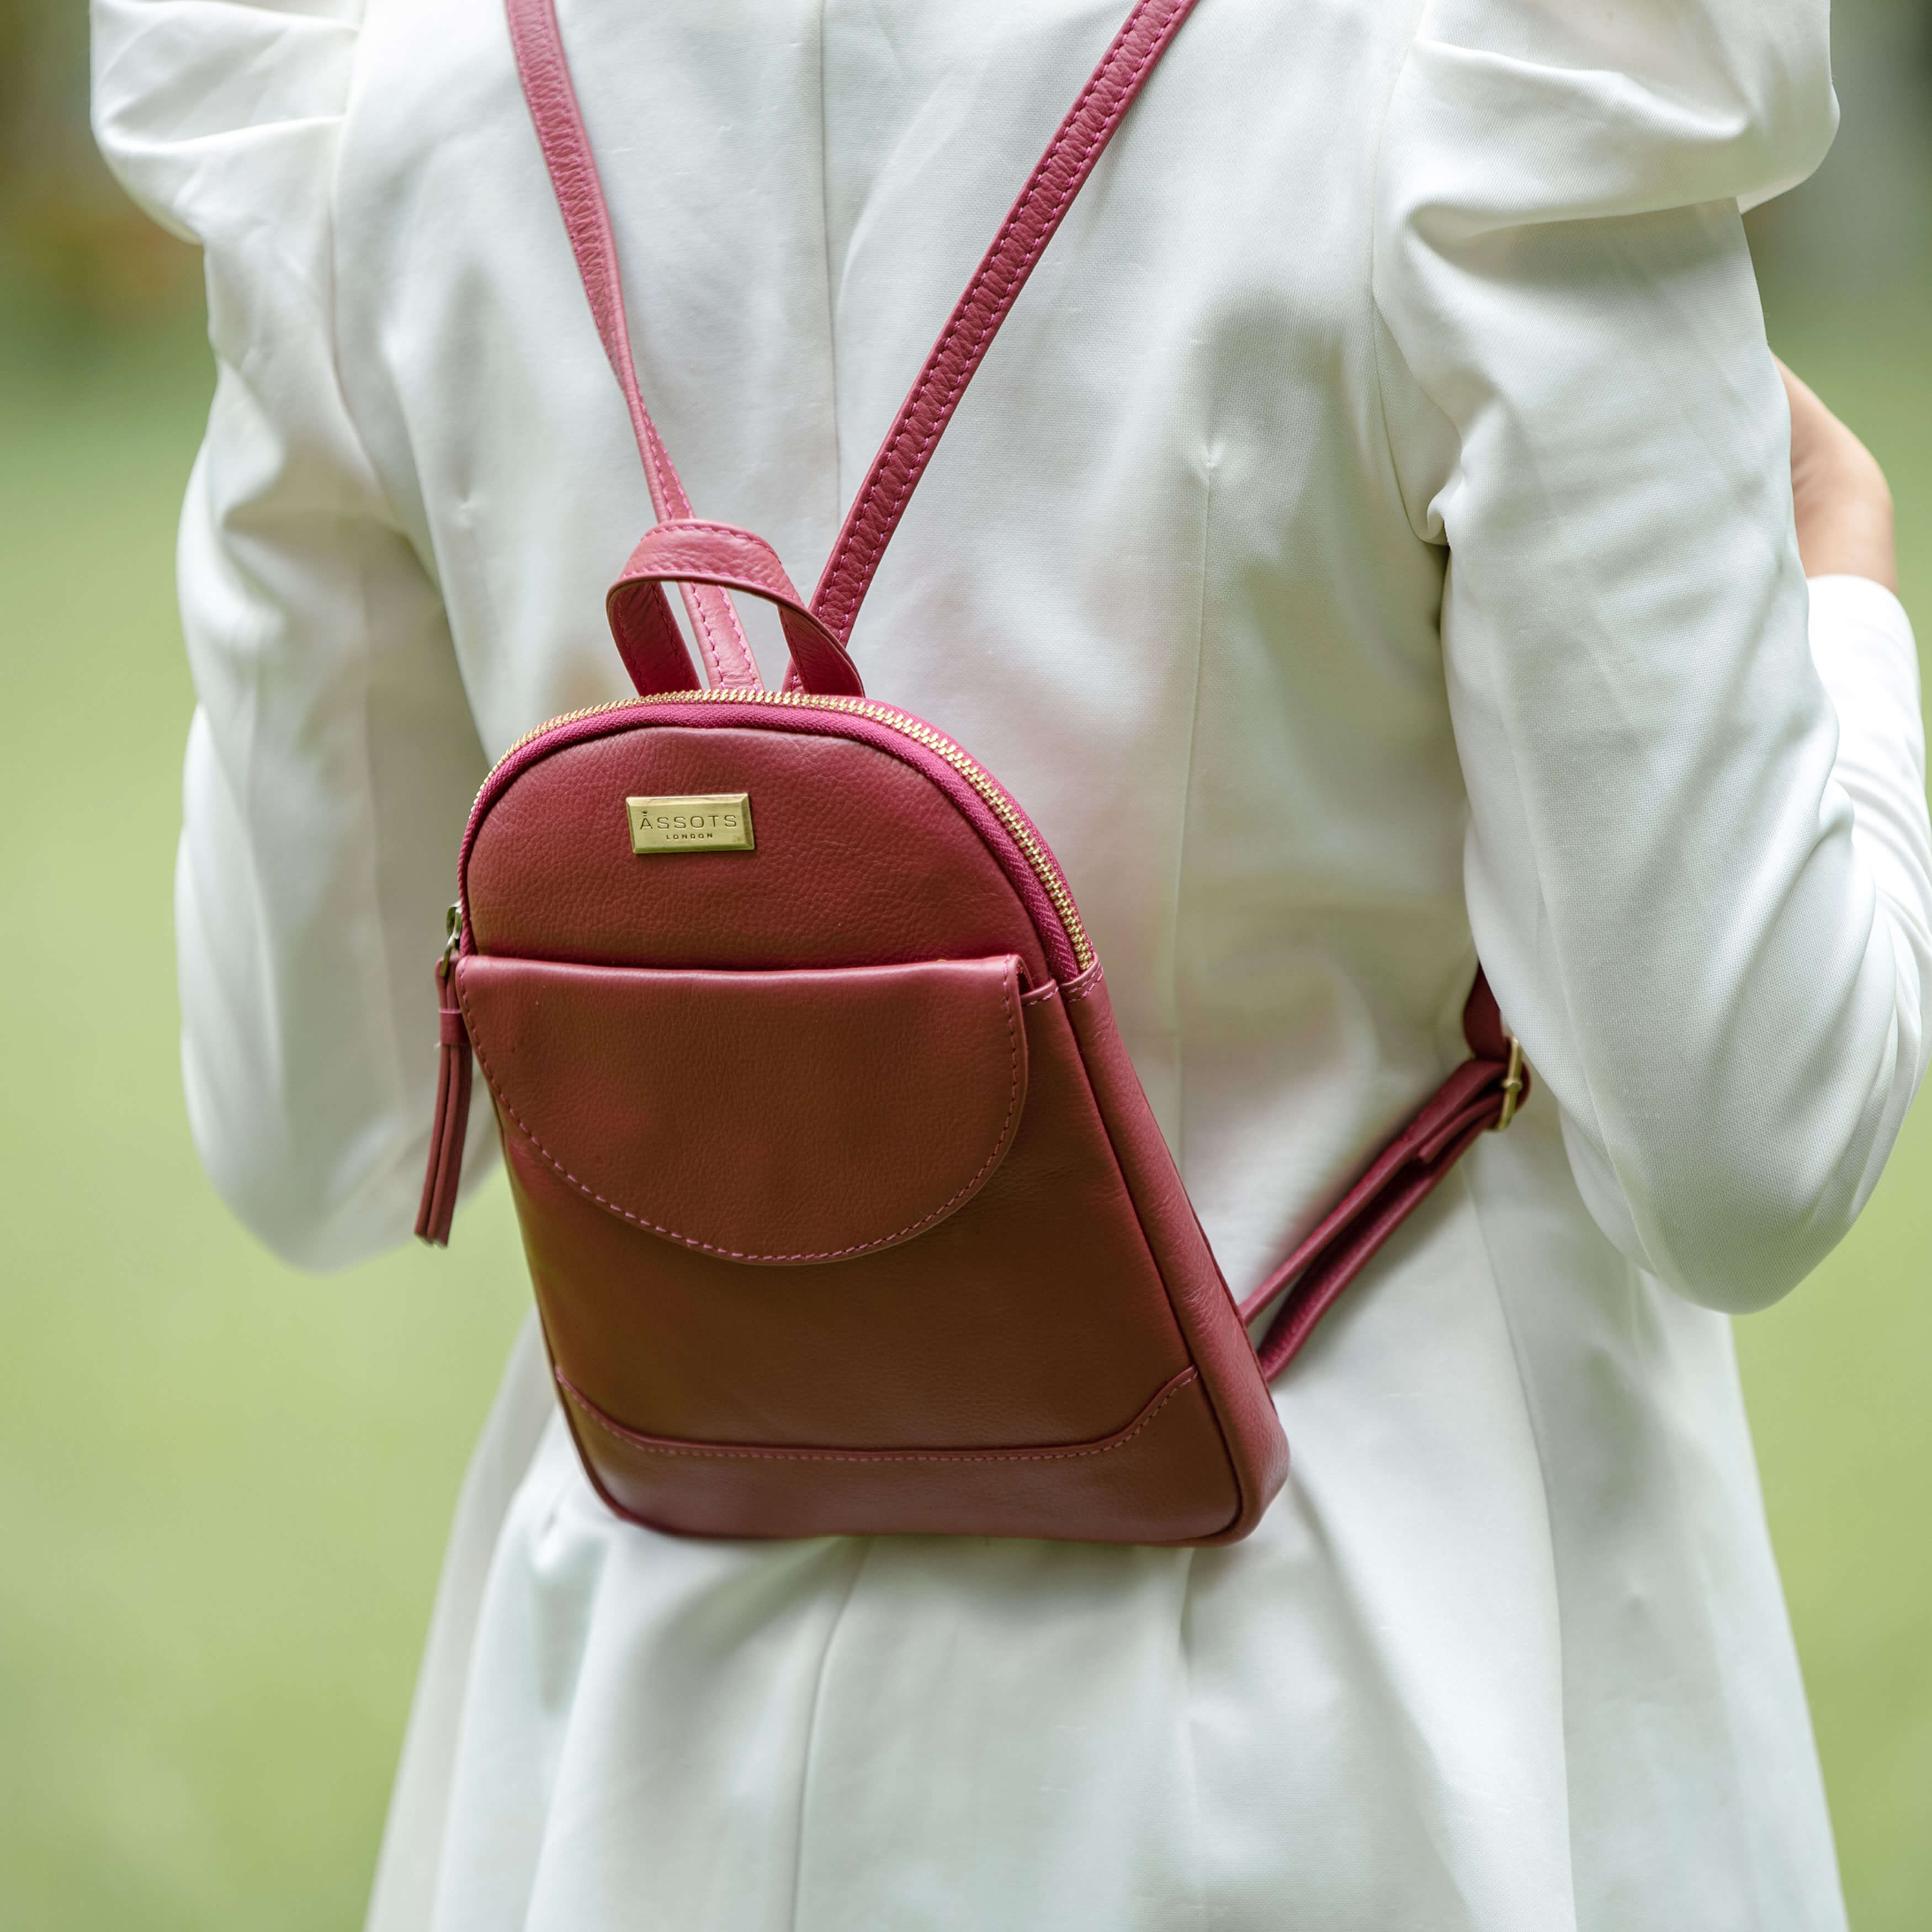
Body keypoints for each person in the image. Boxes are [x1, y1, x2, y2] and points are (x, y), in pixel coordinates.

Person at [92, 1, 1930, 1927]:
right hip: (1375, 1713)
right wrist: (1842, 611)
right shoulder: (1493, 64)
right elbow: (1746, 1145)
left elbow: (321, 1140)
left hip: (643, 1749)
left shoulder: (378, 91)